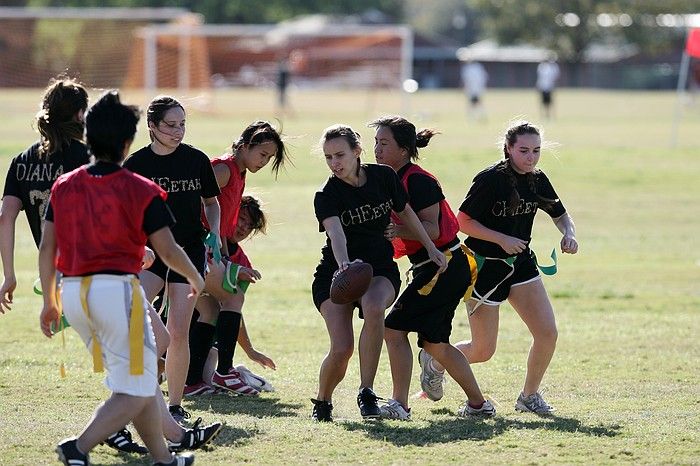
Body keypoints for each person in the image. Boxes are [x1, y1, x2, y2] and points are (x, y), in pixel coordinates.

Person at [38, 90, 199, 466]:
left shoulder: (64, 185)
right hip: (116, 295)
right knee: (138, 386)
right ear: (128, 143)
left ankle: (164, 459)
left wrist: (49, 300)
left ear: (88, 136)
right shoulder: (139, 188)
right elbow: (169, 250)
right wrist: (195, 277)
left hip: (74, 293)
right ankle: (77, 446)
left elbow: (48, 248)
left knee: (137, 383)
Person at [0, 76, 152, 454]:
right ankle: (130, 428)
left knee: (132, 356)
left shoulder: (22, 161)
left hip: (58, 278)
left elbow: (6, 217)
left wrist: (9, 275)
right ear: (82, 114)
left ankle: (148, 430)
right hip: (99, 269)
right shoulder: (88, 156)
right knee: (145, 349)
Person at [419, 121, 578, 414]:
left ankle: (529, 397)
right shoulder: (491, 179)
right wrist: (501, 239)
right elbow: (462, 222)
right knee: (483, 351)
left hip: (520, 264)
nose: (531, 158)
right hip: (485, 268)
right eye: (524, 151)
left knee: (547, 333)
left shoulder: (537, 178)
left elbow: (560, 214)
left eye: (536, 151)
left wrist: (568, 233)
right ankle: (436, 359)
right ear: (508, 149)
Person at [310, 124, 447, 422]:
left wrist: (431, 247)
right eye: (328, 157)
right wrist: (344, 265)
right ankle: (323, 400)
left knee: (374, 307)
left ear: (357, 151)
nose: (335, 163)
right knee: (342, 347)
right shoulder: (327, 194)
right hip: (337, 273)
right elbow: (336, 234)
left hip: (380, 268)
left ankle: (367, 391)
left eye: (340, 155)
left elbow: (407, 212)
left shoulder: (384, 177)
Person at [369, 115, 496, 420]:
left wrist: (397, 231)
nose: (376, 149)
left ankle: (399, 404)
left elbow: (434, 230)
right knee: (435, 344)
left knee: (393, 328)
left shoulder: (418, 180)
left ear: (403, 149)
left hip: (444, 265)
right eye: (375, 142)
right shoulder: (388, 178)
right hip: (438, 267)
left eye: (384, 143)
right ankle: (479, 405)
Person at [124, 95, 221, 423]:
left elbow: (211, 202)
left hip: (187, 253)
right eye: (170, 125)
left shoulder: (196, 160)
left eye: (182, 124)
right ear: (152, 126)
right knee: (134, 317)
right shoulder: (135, 165)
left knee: (179, 330)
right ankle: (140, 393)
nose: (178, 131)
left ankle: (175, 406)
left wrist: (216, 234)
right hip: (150, 256)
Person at [184, 122, 288, 397]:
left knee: (210, 310)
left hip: (205, 249)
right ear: (244, 146)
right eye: (262, 154)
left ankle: (193, 381)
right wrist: (202, 236)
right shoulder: (224, 169)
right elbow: (187, 197)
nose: (264, 162)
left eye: (269, 158)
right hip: (196, 248)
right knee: (232, 298)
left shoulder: (239, 174)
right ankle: (225, 372)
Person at [201, 195, 277, 391]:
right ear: (229, 214)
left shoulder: (243, 263)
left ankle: (233, 372)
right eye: (241, 219)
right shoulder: (209, 239)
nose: (244, 228)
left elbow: (232, 313)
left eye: (249, 225)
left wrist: (250, 350)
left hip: (208, 331)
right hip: (182, 315)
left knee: (208, 381)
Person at [536, 54, 560, 119]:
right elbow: (540, 77)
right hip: (542, 86)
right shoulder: (542, 66)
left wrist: (555, 86)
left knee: (550, 102)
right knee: (542, 102)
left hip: (550, 87)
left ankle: (550, 115)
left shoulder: (554, 67)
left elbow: (556, 78)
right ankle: (542, 115)